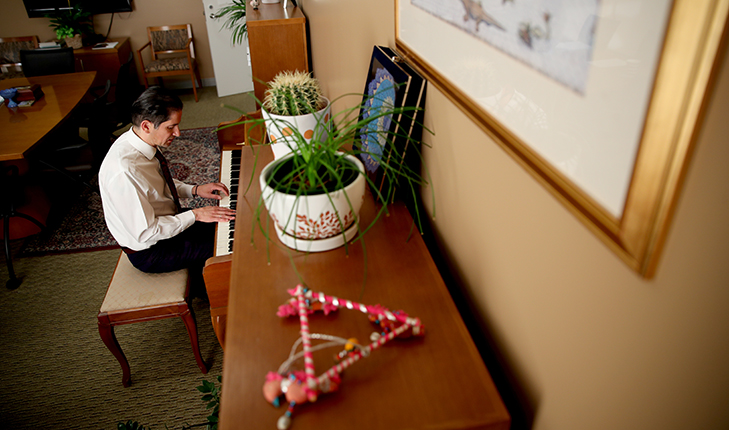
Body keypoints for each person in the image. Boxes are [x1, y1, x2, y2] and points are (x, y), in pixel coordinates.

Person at [98, 86, 235, 282]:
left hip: (167, 224)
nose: (178, 133)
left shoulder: (137, 142)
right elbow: (146, 232)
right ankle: (219, 295)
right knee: (230, 244)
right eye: (171, 127)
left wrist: (194, 190)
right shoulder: (125, 171)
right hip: (152, 250)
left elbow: (157, 186)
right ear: (146, 126)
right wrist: (195, 214)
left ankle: (205, 281)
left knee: (229, 222)